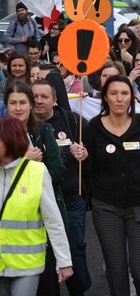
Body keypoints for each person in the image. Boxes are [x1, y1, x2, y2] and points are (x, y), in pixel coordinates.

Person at [82, 75, 140, 296]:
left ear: (131, 97)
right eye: (114, 93)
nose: (119, 98)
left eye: (125, 93)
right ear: (105, 98)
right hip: (106, 207)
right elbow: (88, 170)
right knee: (116, 272)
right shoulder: (93, 128)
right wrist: (82, 157)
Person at [4, 82, 70, 295]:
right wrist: (23, 159)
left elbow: (57, 171)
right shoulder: (1, 134)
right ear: (6, 106)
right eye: (13, 103)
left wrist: (31, 170)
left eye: (23, 102)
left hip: (37, 226)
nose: (18, 108)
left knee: (47, 286)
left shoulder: (43, 130)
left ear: (31, 105)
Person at [31, 80, 92, 295]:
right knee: (45, 255)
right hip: (36, 202)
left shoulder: (71, 120)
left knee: (74, 247)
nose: (39, 101)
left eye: (44, 96)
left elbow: (93, 145)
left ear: (55, 100)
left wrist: (85, 153)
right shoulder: (23, 126)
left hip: (70, 198)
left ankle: (79, 290)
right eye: (35, 96)